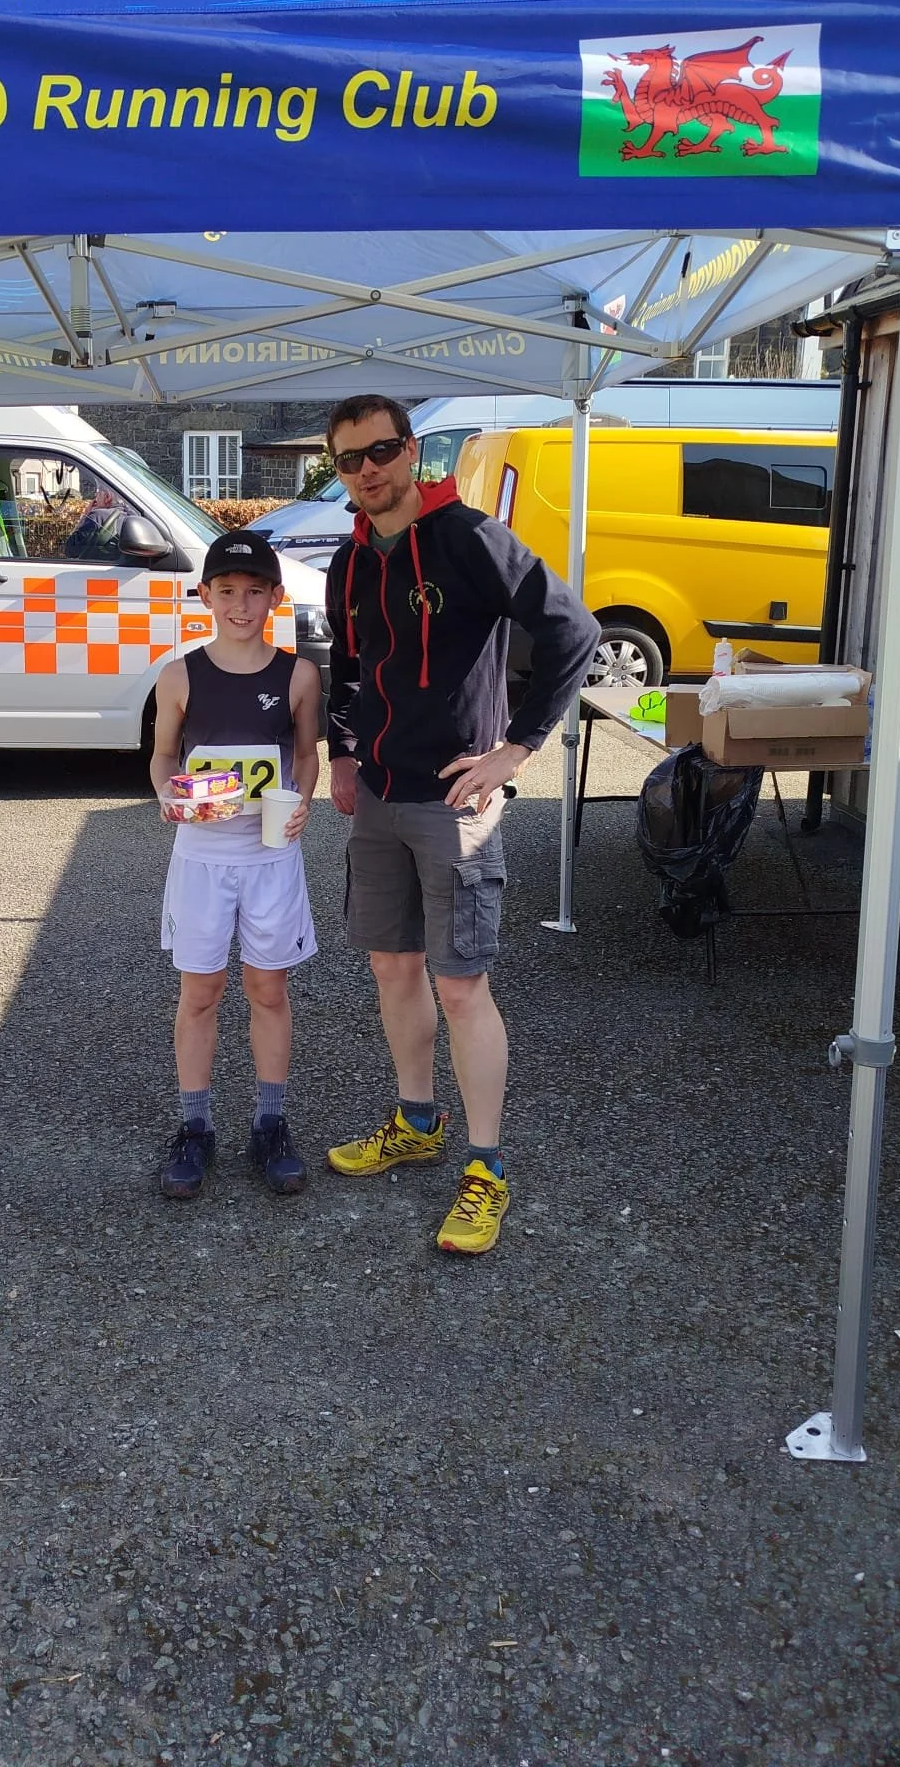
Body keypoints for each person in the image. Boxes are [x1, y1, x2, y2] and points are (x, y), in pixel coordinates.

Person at [322, 395, 600, 1255]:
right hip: (378, 797)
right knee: (392, 967)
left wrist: (515, 749)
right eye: (349, 460)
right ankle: (417, 1121)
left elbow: (574, 631)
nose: (368, 470)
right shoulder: (350, 559)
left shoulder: (471, 537)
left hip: (454, 802)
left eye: (381, 451)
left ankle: (487, 1168)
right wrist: (341, 754)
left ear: (412, 451)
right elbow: (347, 663)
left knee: (461, 986)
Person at [151, 531, 321, 1199]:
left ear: (276, 598)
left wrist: (301, 800)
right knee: (200, 992)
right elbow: (164, 756)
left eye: (255, 592)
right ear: (205, 596)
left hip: (269, 856)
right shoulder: (179, 675)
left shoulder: (298, 676)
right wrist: (167, 794)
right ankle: (195, 1127)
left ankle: (269, 1123)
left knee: (268, 989)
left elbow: (304, 755)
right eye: (227, 591)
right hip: (201, 857)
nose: (241, 605)